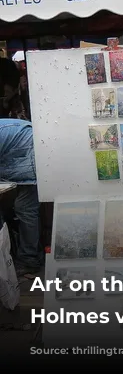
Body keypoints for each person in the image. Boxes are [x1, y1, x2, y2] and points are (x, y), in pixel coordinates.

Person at [0, 58, 42, 277]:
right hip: (22, 152)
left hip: (26, 157)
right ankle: (25, 257)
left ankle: (29, 261)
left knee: (26, 210)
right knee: (23, 210)